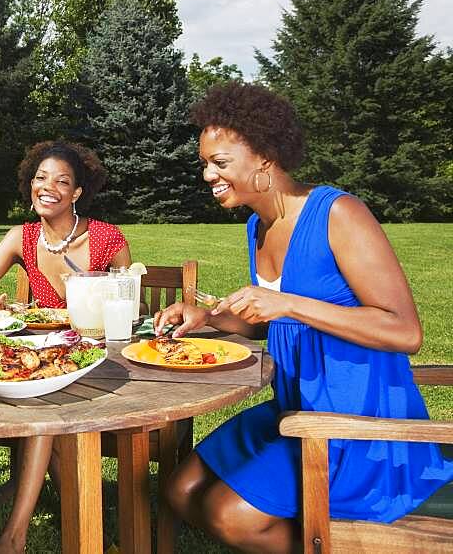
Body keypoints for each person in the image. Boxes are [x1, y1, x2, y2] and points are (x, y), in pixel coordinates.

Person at [153, 83, 453, 554]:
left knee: (230, 517)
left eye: (221, 162)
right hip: (292, 409)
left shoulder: (338, 213)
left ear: (266, 158)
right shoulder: (259, 225)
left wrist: (289, 303)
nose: (208, 174)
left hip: (355, 423)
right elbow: (272, 324)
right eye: (205, 163)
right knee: (179, 491)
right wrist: (207, 317)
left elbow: (405, 330)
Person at [0, 140, 132, 554]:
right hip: (44, 364)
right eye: (40, 178)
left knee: (44, 408)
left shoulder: (107, 237)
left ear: (77, 193)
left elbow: (131, 306)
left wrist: (103, 295)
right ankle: (76, 525)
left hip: (101, 365)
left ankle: (22, 528)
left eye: (61, 181)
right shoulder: (22, 236)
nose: (47, 187)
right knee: (44, 403)